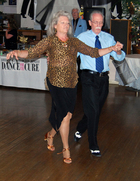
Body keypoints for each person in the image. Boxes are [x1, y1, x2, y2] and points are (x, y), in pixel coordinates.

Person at [6, 10, 123, 164]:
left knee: (66, 116)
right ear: (55, 26)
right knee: (64, 115)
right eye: (63, 22)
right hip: (54, 82)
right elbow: (31, 53)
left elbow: (94, 52)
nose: (66, 24)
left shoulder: (74, 42)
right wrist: (16, 52)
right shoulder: (49, 41)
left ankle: (50, 134)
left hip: (71, 82)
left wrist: (112, 48)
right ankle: (66, 149)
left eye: (68, 22)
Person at [74, 10, 125, 157]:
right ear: (89, 23)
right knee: (94, 111)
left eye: (100, 22)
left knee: (94, 110)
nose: (98, 25)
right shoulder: (82, 38)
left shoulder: (108, 38)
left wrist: (119, 51)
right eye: (95, 22)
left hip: (103, 79)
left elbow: (119, 58)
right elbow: (72, 55)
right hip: (88, 78)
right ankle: (93, 144)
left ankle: (80, 128)